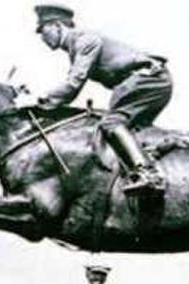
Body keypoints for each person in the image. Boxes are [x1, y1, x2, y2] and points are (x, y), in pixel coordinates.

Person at [25, 4, 172, 195]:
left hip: (147, 79)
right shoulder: (77, 46)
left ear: (57, 26)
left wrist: (37, 99)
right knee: (131, 130)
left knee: (111, 123)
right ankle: (148, 160)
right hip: (149, 80)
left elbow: (73, 85)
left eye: (43, 30)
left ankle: (148, 174)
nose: (42, 38)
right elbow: (71, 90)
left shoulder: (85, 41)